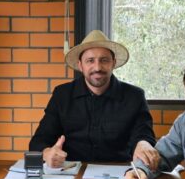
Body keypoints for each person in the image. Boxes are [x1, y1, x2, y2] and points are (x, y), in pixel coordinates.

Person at [29, 30, 157, 168]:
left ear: (113, 63)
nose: (97, 67)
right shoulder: (62, 94)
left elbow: (144, 134)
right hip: (71, 171)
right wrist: (47, 153)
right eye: (90, 61)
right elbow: (38, 141)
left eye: (104, 60)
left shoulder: (134, 96)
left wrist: (143, 144)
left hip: (120, 174)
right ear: (80, 65)